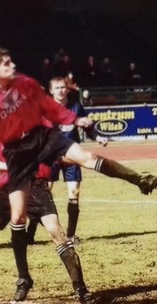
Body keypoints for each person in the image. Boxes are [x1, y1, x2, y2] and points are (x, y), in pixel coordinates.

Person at [0, 48, 157, 299]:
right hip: (18, 153)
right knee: (17, 217)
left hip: (42, 136)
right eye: (6, 63)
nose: (13, 65)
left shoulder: (24, 83)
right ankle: (22, 278)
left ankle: (139, 180)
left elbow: (47, 105)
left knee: (88, 158)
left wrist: (74, 119)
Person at [0, 140, 99, 304]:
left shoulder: (37, 132)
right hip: (8, 187)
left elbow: (58, 155)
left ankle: (81, 290)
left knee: (56, 233)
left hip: (36, 187)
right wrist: (16, 167)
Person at [27, 76, 108, 245]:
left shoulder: (75, 107)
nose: (61, 91)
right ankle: (30, 232)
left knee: (74, 194)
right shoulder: (47, 108)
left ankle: (71, 235)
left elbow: (87, 126)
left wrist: (98, 137)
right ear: (51, 91)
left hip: (72, 156)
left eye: (63, 87)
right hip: (50, 158)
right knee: (43, 195)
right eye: (57, 88)